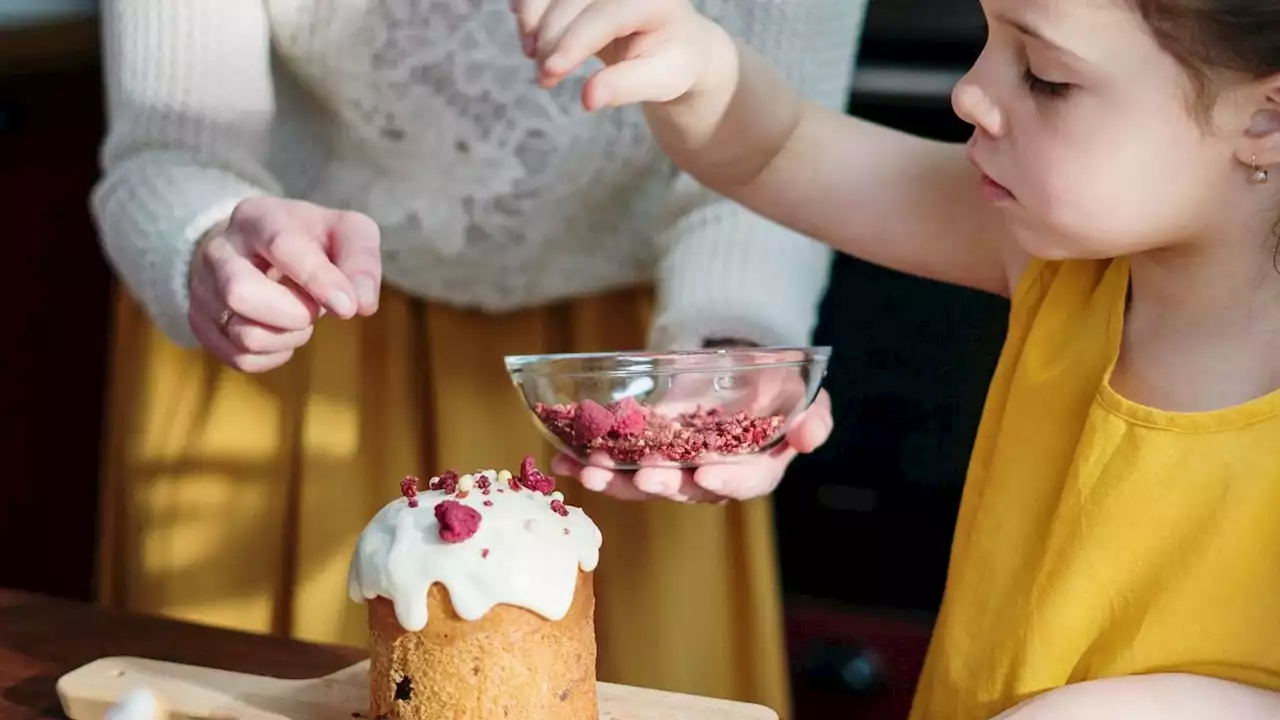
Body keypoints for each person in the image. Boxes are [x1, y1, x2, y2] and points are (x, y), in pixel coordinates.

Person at [90, 0, 863, 714]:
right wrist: (208, 246)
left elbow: (779, 155)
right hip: (294, 328)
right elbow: (167, 150)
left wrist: (725, 360)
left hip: (639, 368)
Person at [517, 0, 1280, 718]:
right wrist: (700, 69)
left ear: (1267, 118)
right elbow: (776, 151)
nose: (971, 93)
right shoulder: (1059, 263)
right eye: (988, 39)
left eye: (1047, 76)